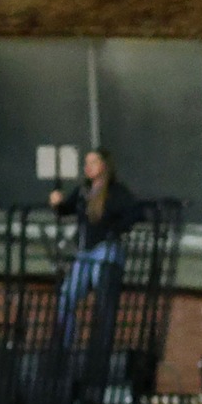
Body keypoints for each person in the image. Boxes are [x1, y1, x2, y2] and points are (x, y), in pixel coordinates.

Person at [49, 148, 140, 349]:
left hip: (104, 249)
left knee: (104, 295)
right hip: (85, 252)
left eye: (93, 162)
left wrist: (114, 230)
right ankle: (64, 344)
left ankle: (99, 346)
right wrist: (58, 204)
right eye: (86, 163)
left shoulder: (116, 192)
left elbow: (135, 212)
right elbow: (67, 209)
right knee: (66, 296)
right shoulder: (84, 191)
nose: (87, 167)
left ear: (104, 165)